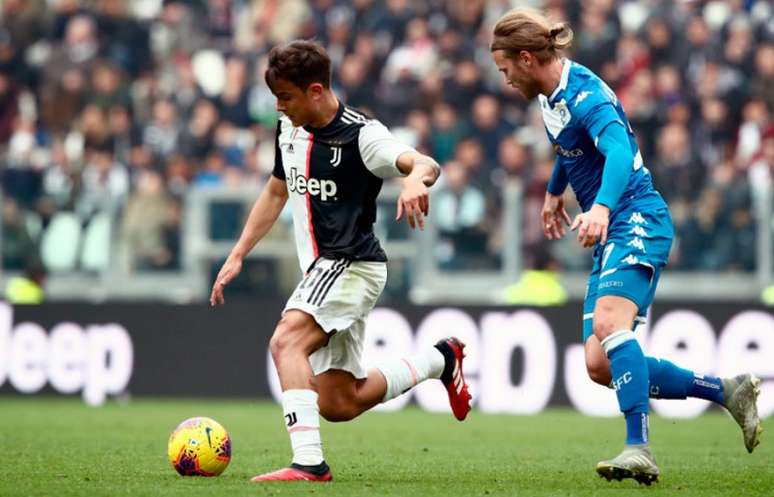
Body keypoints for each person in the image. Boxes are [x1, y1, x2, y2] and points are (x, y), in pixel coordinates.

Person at [490, 9, 762, 485]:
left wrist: (600, 207)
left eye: (505, 68)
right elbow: (570, 147)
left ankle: (640, 447)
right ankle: (726, 391)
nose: (505, 78)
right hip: (615, 222)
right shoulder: (551, 95)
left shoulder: (585, 95)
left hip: (636, 216)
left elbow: (616, 150)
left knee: (609, 324)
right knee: (599, 363)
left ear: (527, 58)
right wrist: (556, 190)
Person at [210, 40, 472, 483]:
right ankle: (440, 360)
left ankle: (309, 463)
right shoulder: (288, 128)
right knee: (339, 402)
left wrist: (413, 182)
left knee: (285, 343)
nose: (279, 107)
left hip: (350, 263)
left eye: (286, 97)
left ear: (315, 91)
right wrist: (237, 253)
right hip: (323, 270)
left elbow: (423, 162)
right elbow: (277, 191)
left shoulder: (362, 136)